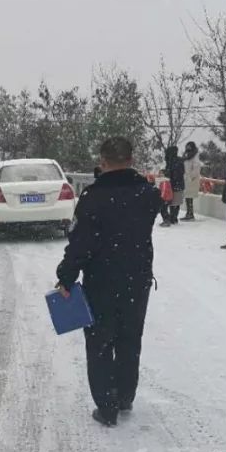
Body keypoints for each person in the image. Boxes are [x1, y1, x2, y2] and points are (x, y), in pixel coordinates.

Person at [56, 137, 163, 428]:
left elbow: (81, 244)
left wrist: (66, 275)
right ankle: (125, 395)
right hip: (137, 280)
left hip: (101, 282)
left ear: (103, 162)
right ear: (131, 159)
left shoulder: (94, 198)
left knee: (101, 343)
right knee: (130, 339)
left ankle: (107, 407)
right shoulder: (147, 194)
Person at [160, 145, 185, 227]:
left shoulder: (172, 161)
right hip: (178, 184)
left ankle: (169, 218)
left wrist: (167, 173)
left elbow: (174, 173)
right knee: (175, 203)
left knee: (167, 202)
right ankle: (173, 218)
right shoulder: (178, 161)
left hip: (172, 184)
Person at [182, 142, 201, 221]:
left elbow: (196, 169)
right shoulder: (186, 156)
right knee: (187, 197)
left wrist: (190, 177)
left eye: (189, 147)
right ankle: (189, 213)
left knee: (190, 197)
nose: (188, 148)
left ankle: (190, 214)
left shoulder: (195, 157)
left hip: (191, 180)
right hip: (186, 179)